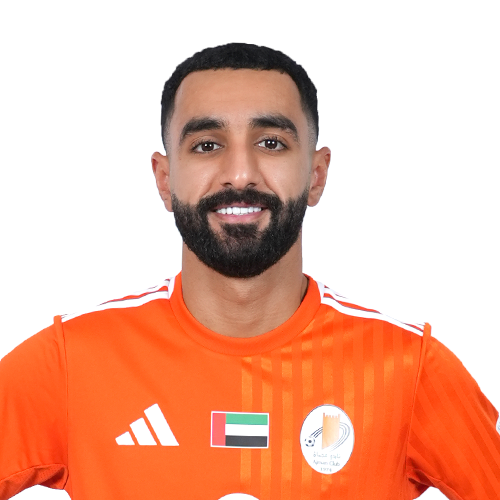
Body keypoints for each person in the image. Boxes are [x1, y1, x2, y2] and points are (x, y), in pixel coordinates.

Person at [0, 42, 499, 500]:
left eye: (271, 143)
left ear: (317, 175)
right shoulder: (72, 359)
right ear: (165, 180)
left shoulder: (408, 367)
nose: (240, 173)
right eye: (207, 145)